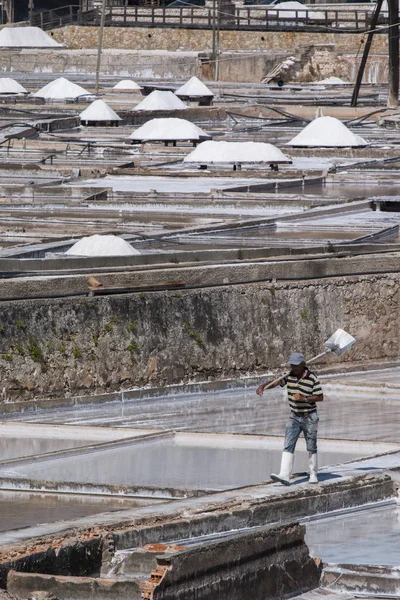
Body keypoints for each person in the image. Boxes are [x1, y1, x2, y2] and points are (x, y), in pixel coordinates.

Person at [256, 352, 323, 485]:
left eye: (296, 366)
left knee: (311, 445)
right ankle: (284, 475)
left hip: (309, 416)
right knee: (288, 443)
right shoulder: (290, 376)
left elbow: (320, 397)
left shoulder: (312, 378)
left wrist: (304, 398)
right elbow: (276, 382)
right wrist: (263, 386)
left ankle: (313, 473)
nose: (294, 368)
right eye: (292, 365)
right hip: (294, 416)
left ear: (303, 365)